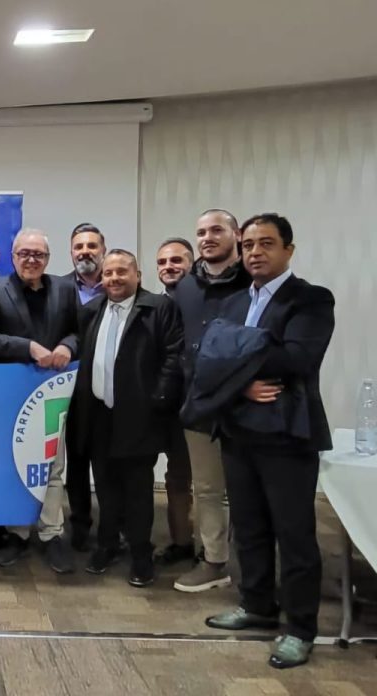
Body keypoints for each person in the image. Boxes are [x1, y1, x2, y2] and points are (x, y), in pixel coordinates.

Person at [204, 214, 335, 670]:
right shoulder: (234, 302)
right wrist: (241, 383)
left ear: (288, 250)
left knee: (293, 533)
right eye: (248, 245)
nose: (255, 252)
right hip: (238, 429)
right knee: (249, 526)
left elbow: (297, 358)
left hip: (287, 432)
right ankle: (257, 605)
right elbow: (209, 360)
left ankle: (299, 628)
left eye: (267, 244)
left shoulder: (311, 299)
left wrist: (234, 359)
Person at [67, 250, 183, 587]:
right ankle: (107, 545)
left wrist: (158, 399)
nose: (114, 278)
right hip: (98, 415)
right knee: (105, 486)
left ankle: (141, 553)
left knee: (138, 490)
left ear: (137, 275)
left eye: (122, 272)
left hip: (140, 416)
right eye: (109, 273)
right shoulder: (92, 310)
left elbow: (174, 356)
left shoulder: (158, 308)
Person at [0, 229, 79, 574]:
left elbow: (80, 331)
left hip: (52, 394)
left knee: (53, 466)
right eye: (25, 254)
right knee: (16, 465)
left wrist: (67, 346)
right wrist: (28, 348)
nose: (31, 260)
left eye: (38, 254)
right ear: (12, 256)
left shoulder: (65, 288)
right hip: (13, 394)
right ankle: (16, 533)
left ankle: (52, 533)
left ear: (47, 259)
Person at [168, 209, 251, 593]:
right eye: (201, 232)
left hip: (246, 404)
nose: (207, 237)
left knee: (251, 489)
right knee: (207, 489)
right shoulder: (185, 287)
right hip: (199, 404)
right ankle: (215, 562)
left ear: (236, 234)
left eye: (217, 230)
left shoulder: (255, 282)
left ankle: (255, 568)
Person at [62, 223, 107, 548]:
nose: (85, 252)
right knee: (76, 461)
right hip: (71, 389)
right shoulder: (59, 287)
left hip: (110, 388)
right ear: (71, 252)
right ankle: (79, 524)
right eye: (79, 246)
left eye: (92, 246)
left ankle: (113, 527)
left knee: (108, 463)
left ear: (103, 250)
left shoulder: (120, 284)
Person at [152, 236, 196, 565]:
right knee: (172, 479)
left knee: (196, 481)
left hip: (193, 407)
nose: (169, 267)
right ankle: (180, 543)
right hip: (157, 405)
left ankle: (207, 553)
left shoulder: (204, 304)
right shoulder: (152, 305)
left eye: (177, 260)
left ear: (192, 264)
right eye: (163, 262)